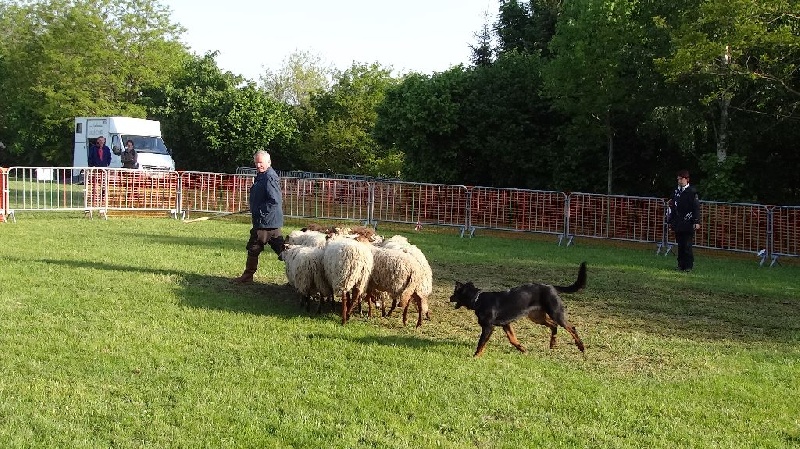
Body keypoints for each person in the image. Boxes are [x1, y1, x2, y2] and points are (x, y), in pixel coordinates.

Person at [231, 150, 285, 284]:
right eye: (256, 163)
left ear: (269, 162)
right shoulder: (262, 175)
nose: (258, 165)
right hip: (267, 221)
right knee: (282, 250)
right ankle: (297, 272)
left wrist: (259, 211)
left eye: (260, 162)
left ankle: (248, 275)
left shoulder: (269, 177)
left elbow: (274, 200)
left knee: (254, 246)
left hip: (265, 221)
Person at [668, 169, 701, 272]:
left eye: (681, 179)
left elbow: (695, 207)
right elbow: (673, 207)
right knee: (680, 245)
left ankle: (688, 266)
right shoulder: (676, 192)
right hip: (678, 222)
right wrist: (671, 221)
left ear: (686, 179)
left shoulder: (692, 191)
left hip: (688, 221)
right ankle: (680, 264)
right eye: (678, 179)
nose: (679, 181)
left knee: (687, 245)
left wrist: (696, 221)